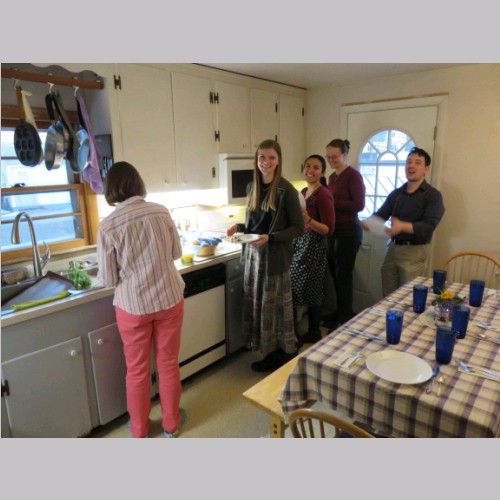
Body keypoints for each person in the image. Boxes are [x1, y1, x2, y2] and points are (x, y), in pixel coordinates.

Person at [97, 161, 186, 438]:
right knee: (168, 363)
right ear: (138, 183)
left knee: (137, 370)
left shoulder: (108, 225)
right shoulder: (160, 211)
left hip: (133, 306)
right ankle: (171, 424)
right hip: (169, 298)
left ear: (111, 189)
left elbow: (109, 279)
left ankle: (139, 429)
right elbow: (176, 253)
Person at [226, 139, 304, 372]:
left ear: (278, 160)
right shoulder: (252, 187)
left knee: (274, 309)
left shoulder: (286, 190)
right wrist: (239, 227)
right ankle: (268, 349)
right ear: (256, 159)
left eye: (271, 157)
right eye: (262, 157)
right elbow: (255, 224)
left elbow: (298, 228)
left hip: (274, 257)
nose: (266, 162)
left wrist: (271, 237)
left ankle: (282, 351)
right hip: (254, 256)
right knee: (258, 305)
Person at [361, 146, 445, 296]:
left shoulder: (433, 195)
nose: (411, 165)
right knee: (388, 297)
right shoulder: (397, 193)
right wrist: (367, 223)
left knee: (408, 298)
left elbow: (429, 226)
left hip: (414, 252)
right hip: (392, 249)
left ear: (426, 169)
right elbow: (381, 215)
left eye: (417, 162)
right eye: (409, 162)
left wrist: (402, 226)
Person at [290, 155, 335, 344]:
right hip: (299, 243)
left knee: (309, 289)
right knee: (296, 288)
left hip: (314, 246)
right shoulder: (303, 192)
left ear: (322, 173)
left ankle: (313, 331)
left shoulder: (324, 194)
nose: (311, 170)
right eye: (308, 166)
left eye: (316, 167)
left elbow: (328, 229)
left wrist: (308, 219)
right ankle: (296, 331)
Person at [325, 138, 366, 327]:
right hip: (334, 230)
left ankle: (344, 318)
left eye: (335, 156)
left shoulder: (353, 176)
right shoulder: (332, 177)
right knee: (335, 274)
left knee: (344, 276)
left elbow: (359, 205)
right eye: (328, 157)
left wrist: (332, 201)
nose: (331, 160)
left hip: (349, 231)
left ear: (344, 155)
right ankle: (339, 312)